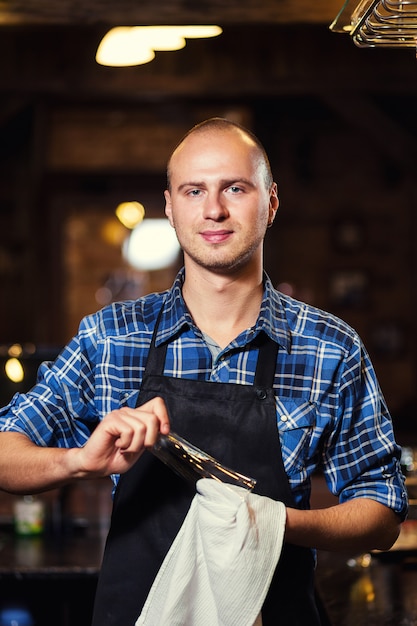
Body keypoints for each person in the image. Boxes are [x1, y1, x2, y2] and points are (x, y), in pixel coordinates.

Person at [0, 117, 408, 625]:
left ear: (271, 202)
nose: (213, 209)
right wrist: (79, 461)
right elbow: (4, 452)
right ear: (171, 207)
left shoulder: (330, 348)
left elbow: (382, 512)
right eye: (194, 191)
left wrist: (274, 524)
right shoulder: (110, 338)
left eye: (234, 188)